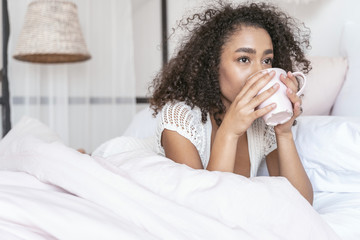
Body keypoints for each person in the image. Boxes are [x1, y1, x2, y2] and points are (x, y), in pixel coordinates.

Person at [149, 1, 313, 204]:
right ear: (212, 65)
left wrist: (284, 132)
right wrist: (230, 131)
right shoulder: (179, 119)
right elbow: (202, 208)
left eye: (267, 60)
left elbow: (302, 204)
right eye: (244, 59)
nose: (260, 73)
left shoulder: (263, 123)